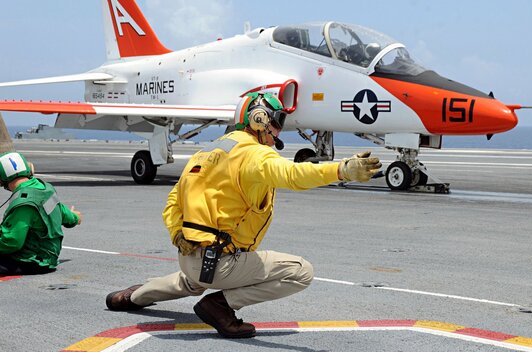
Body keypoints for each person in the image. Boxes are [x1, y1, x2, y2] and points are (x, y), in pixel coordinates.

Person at [105, 92, 381, 338]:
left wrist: (178, 233)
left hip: (190, 256)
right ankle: (221, 305)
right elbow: (294, 175)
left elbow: (174, 199)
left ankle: (132, 297)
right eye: (276, 122)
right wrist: (342, 170)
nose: (278, 131)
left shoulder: (208, 151)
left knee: (190, 279)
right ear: (258, 119)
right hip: (221, 264)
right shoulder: (254, 155)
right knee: (301, 272)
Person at [0, 152, 82, 275]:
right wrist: (75, 217)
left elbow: (12, 242)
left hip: (30, 261)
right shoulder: (44, 189)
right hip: (48, 258)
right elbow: (65, 215)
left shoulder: (24, 202)